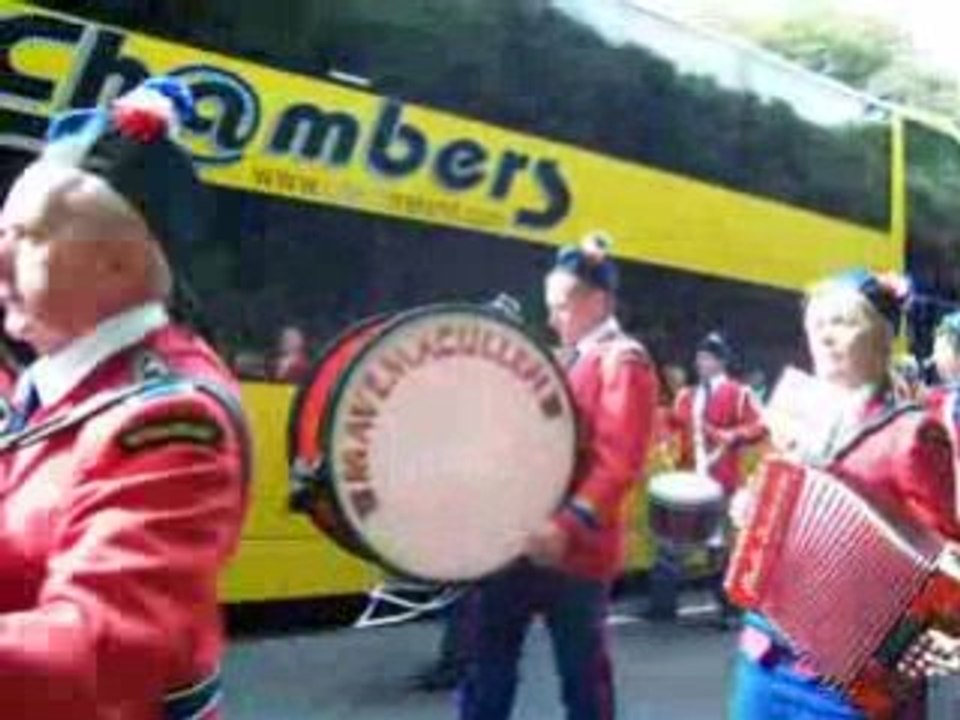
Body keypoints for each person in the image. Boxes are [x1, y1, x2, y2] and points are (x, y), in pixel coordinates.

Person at [0, 77, 250, 719]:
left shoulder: (167, 418)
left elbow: (104, 650)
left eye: (26, 238)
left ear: (119, 263)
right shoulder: (46, 378)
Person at [729, 270, 960, 719]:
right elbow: (768, 505)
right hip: (764, 656)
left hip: (848, 686)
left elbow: (949, 572)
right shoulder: (795, 413)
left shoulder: (911, 433)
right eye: (818, 324)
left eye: (843, 322)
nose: (826, 337)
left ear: (881, 338)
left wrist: (904, 666)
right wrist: (749, 510)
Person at [459, 232, 659, 720]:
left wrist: (566, 524)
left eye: (561, 307)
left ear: (599, 301)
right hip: (517, 540)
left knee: (583, 683)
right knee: (485, 671)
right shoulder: (563, 358)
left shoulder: (623, 360)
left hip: (575, 551)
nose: (552, 320)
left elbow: (618, 464)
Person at [646, 333, 765, 623]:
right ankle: (662, 608)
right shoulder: (687, 395)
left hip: (720, 482)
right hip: (690, 481)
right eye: (699, 358)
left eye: (707, 358)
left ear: (721, 362)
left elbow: (759, 426)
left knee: (719, 547)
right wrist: (663, 431)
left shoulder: (739, 393)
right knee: (670, 543)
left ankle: (730, 610)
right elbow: (674, 425)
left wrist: (733, 435)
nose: (701, 363)